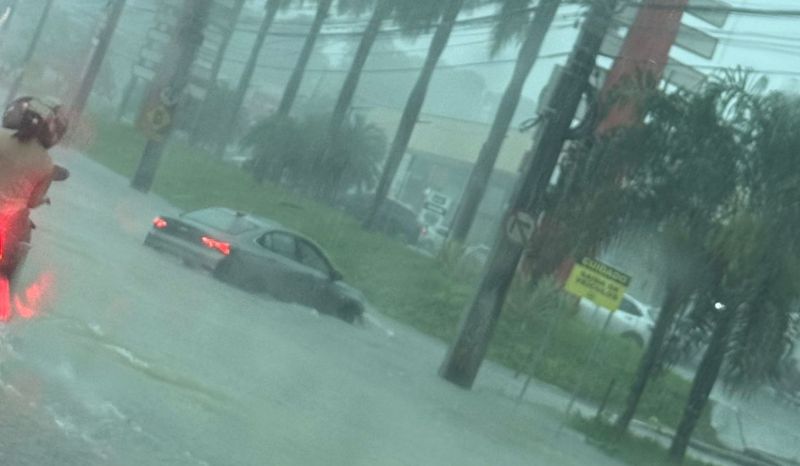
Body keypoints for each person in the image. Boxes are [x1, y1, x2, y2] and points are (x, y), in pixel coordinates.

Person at [0, 96, 68, 287]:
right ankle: (6, 281)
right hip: (12, 216)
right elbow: (32, 201)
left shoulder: (0, 137)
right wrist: (44, 200)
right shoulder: (46, 163)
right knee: (21, 244)